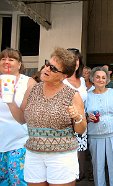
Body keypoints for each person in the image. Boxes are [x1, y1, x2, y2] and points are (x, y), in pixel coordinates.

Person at [7, 47, 87, 186]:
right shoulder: (33, 90)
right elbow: (22, 119)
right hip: (34, 154)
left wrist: (77, 117)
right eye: (47, 64)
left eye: (53, 69)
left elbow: (81, 129)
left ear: (64, 76)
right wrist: (9, 100)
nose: (47, 69)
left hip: (61, 156)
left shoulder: (72, 95)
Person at [0, 48, 36, 186]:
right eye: (3, 59)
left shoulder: (28, 83)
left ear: (19, 64)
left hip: (20, 143)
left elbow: (26, 117)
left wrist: (9, 98)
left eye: (11, 59)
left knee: (18, 182)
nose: (6, 62)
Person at [86, 66, 113, 186]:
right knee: (98, 168)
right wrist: (88, 118)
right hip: (95, 136)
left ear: (107, 80)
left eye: (103, 77)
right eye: (97, 77)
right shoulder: (87, 96)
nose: (100, 80)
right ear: (92, 78)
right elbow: (82, 116)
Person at [63, 48, 88, 182]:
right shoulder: (61, 79)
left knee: (79, 157)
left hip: (81, 122)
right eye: (71, 58)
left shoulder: (82, 80)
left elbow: (85, 103)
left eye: (77, 59)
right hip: (66, 125)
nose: (75, 62)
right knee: (67, 160)